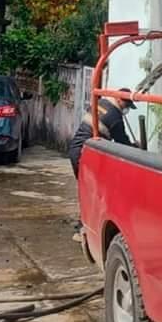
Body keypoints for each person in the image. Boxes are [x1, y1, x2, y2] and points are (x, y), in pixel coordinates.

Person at [68, 88, 137, 242]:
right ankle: (83, 230)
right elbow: (122, 142)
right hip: (84, 155)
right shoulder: (115, 116)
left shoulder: (100, 103)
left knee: (88, 192)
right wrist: (136, 147)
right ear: (119, 100)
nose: (126, 110)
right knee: (92, 193)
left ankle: (84, 227)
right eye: (126, 106)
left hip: (76, 150)